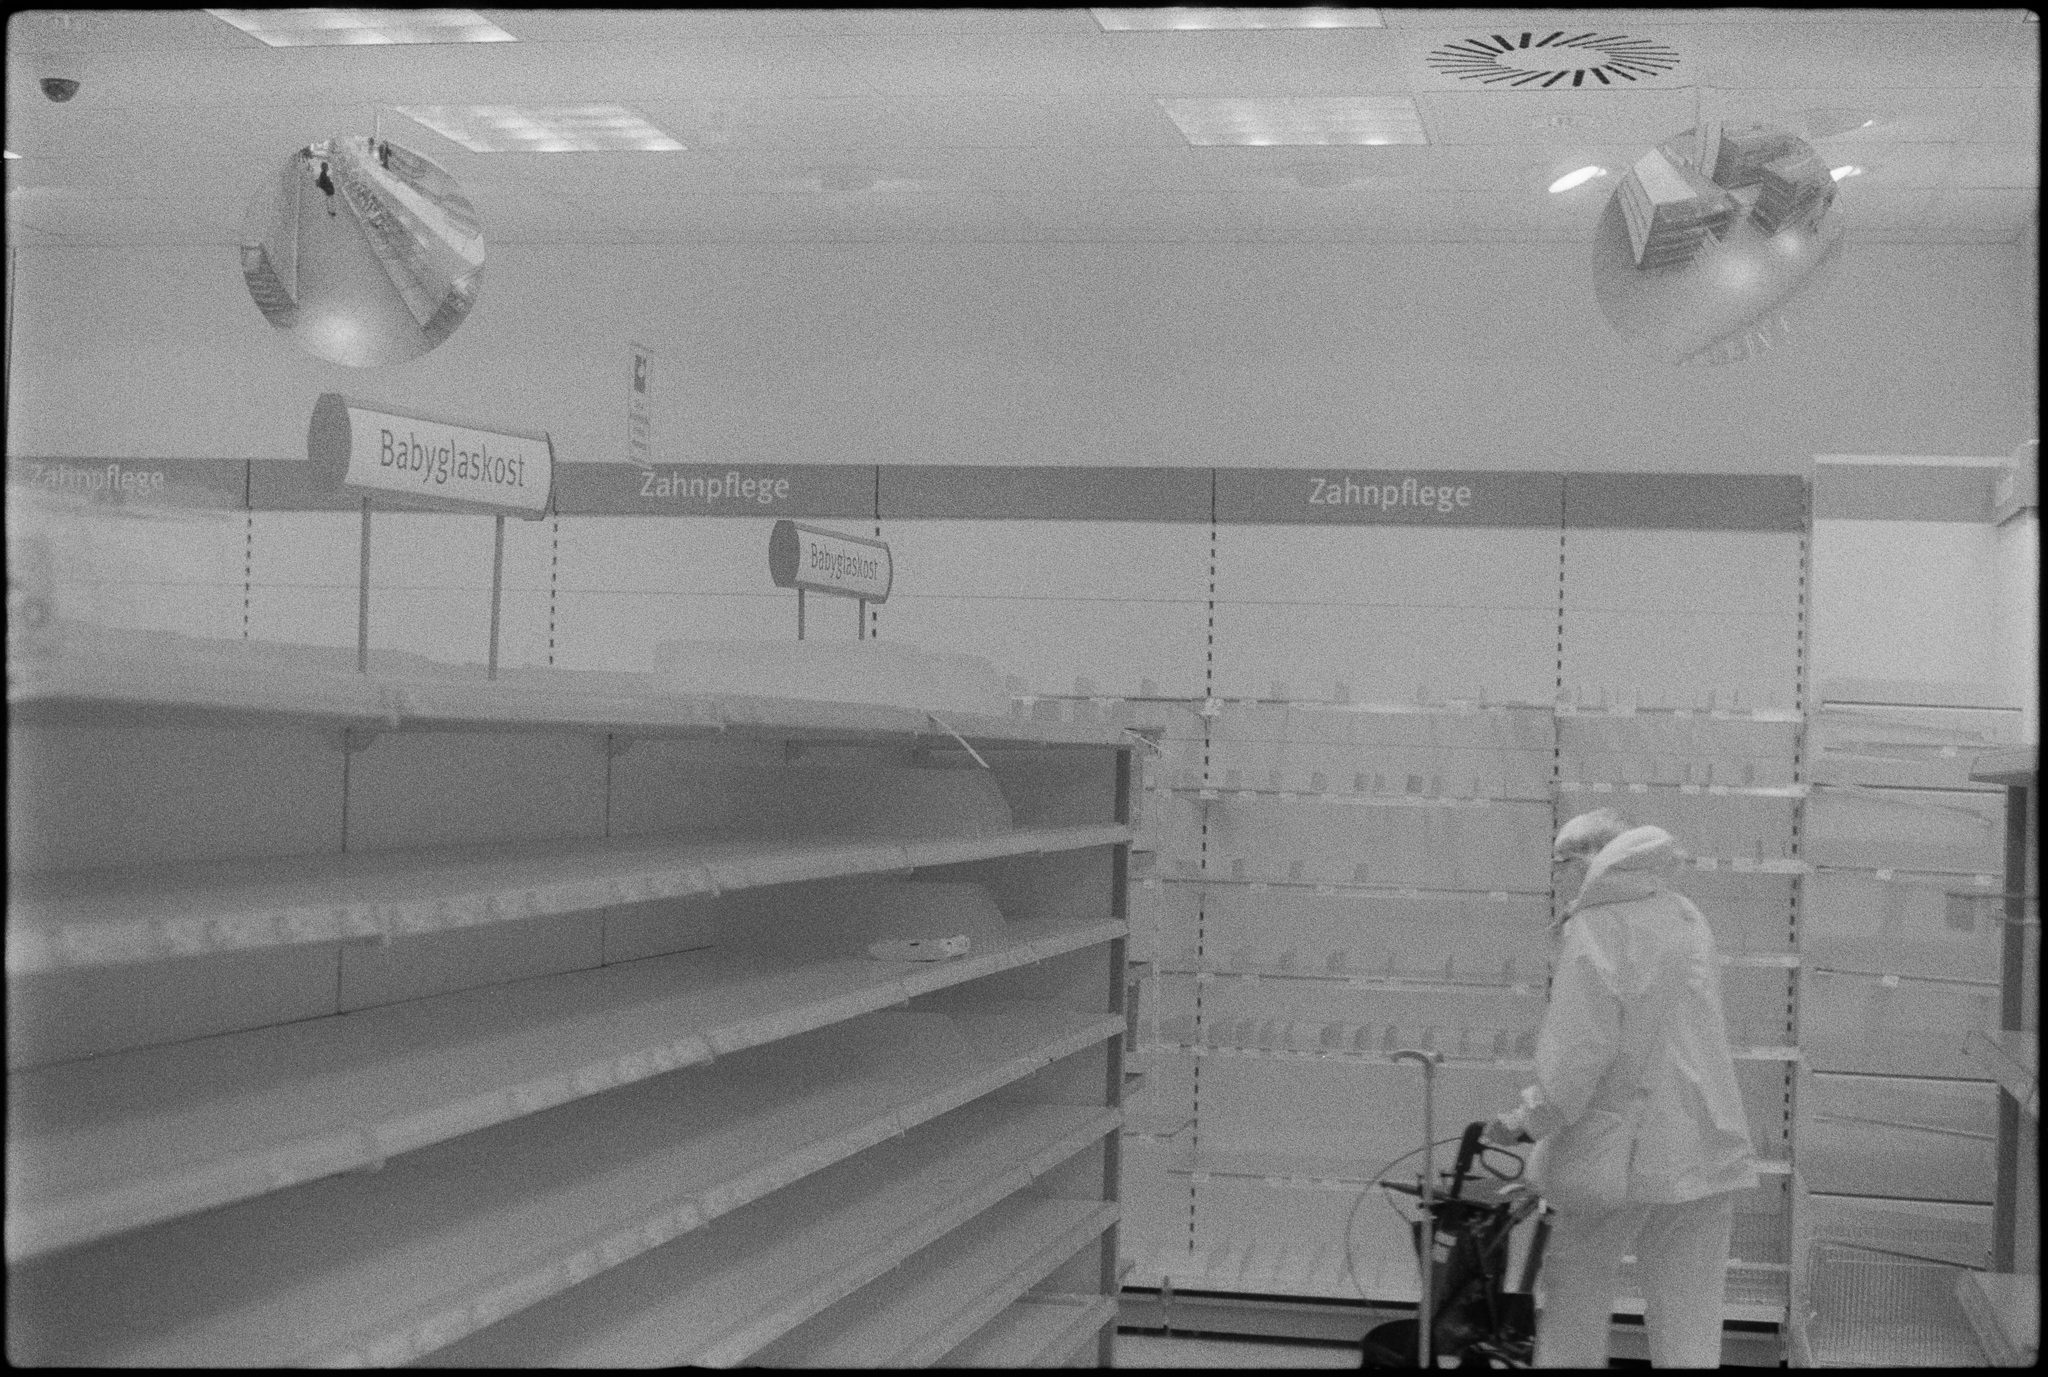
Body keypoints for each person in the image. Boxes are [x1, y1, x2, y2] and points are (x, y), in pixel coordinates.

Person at [1485, 813, 1757, 1369]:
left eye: (1563, 863)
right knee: (1690, 1318)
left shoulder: (1598, 928)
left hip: (1615, 1157)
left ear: (1591, 862)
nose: (1559, 876)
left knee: (1575, 1301)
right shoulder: (1685, 915)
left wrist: (1526, 1120)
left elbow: (1579, 1055)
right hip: (1705, 1144)